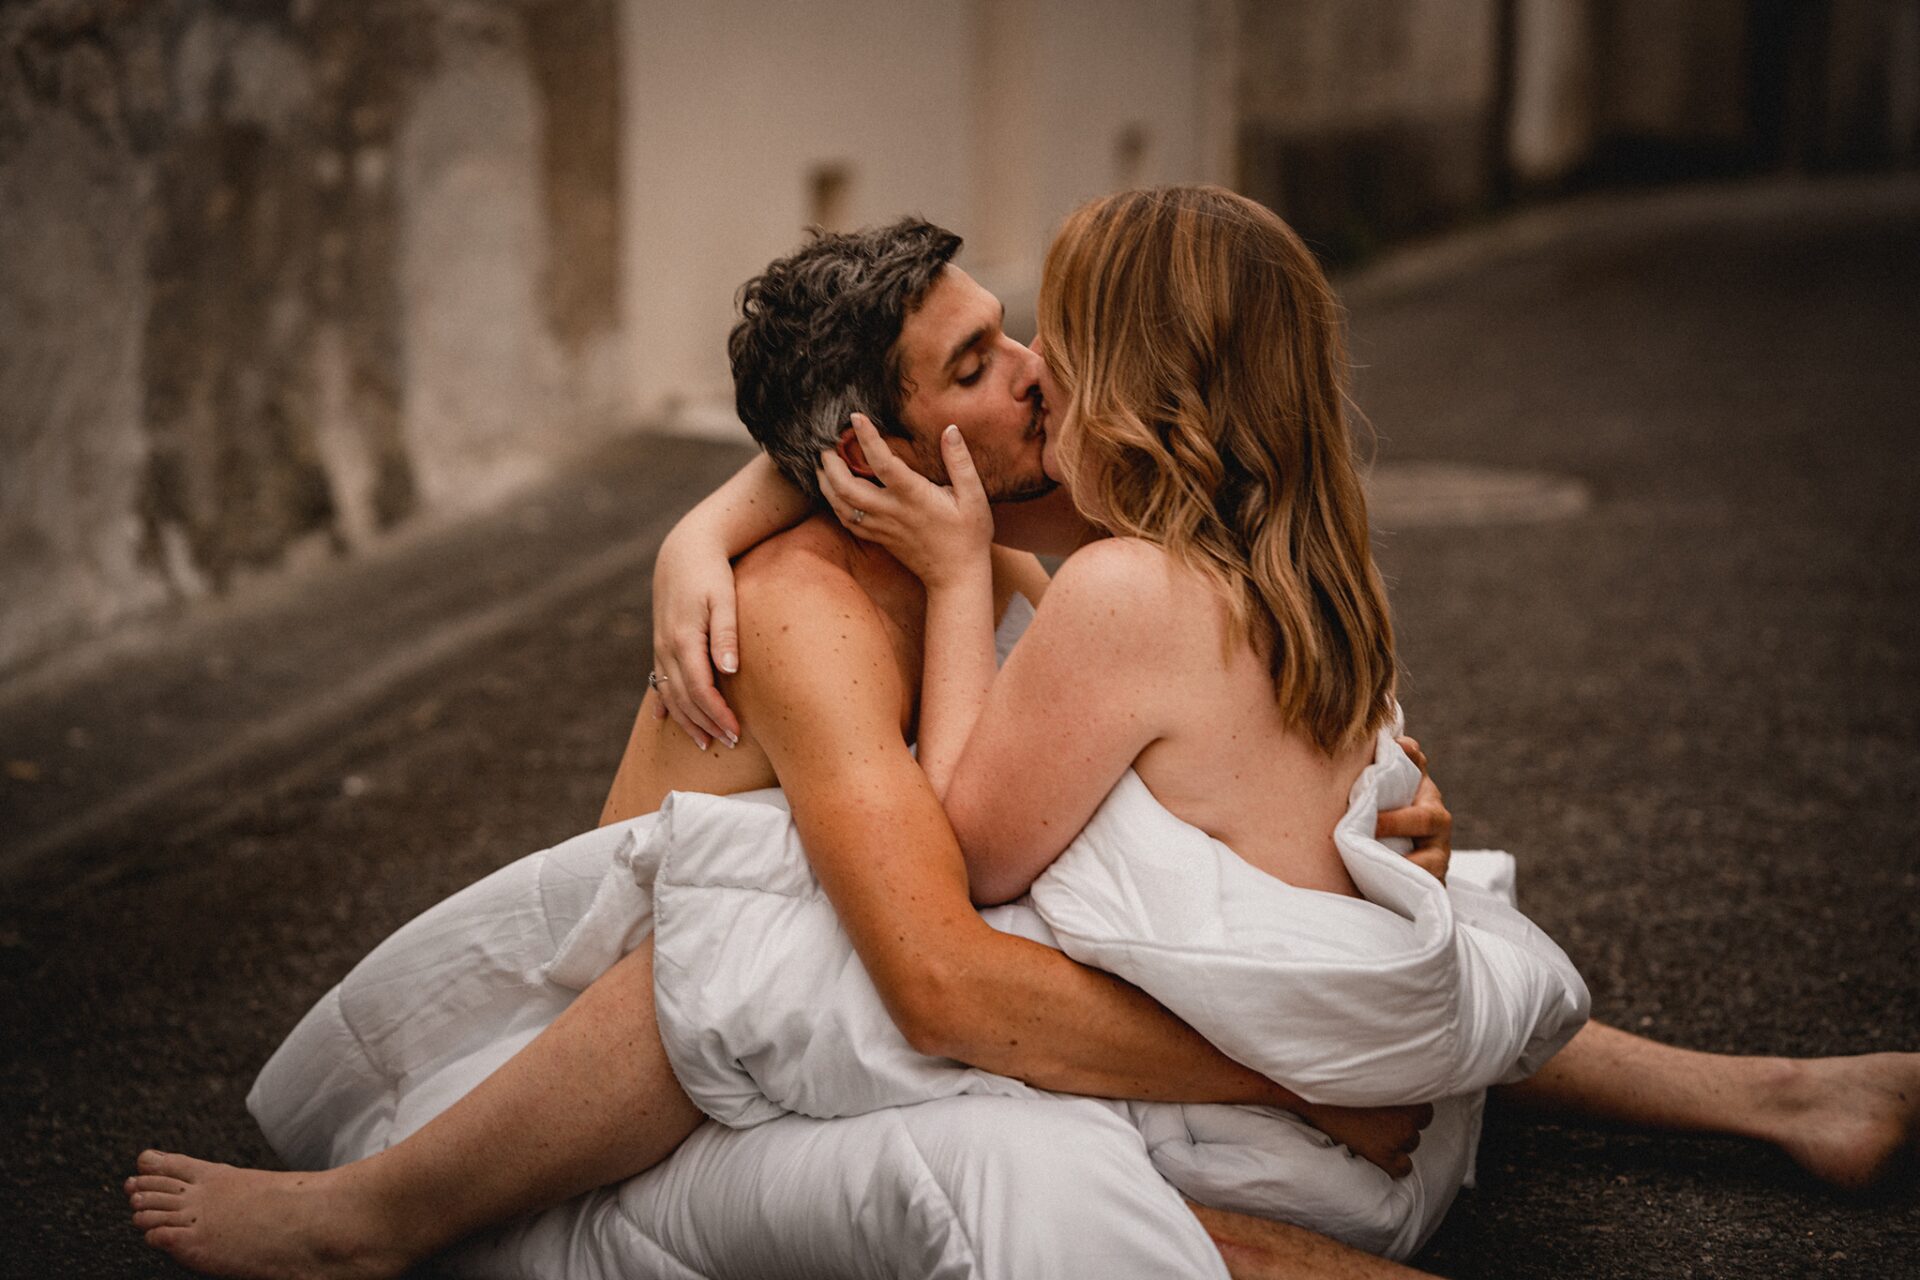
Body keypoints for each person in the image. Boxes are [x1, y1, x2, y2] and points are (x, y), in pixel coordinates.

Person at [128, 205, 1919, 1279]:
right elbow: (940, 979)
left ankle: (1772, 1095)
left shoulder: (1014, 528)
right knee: (829, 964)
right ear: (878, 451)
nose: (1044, 368)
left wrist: (707, 512)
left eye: (1017, 330)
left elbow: (1186, 615)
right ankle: (372, 1221)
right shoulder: (815, 617)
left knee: (1244, 902)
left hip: (869, 1006)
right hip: (629, 1095)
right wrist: (1308, 1078)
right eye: (982, 365)